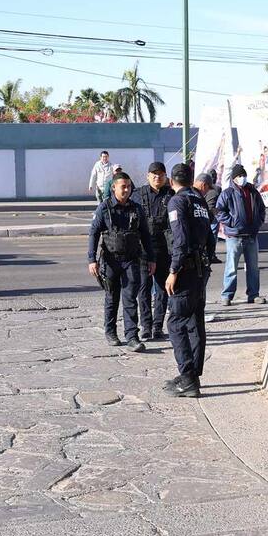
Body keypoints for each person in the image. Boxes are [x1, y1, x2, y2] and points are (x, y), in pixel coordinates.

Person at [87, 172, 154, 353]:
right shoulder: (104, 208)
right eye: (123, 186)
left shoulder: (136, 208)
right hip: (110, 261)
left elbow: (146, 236)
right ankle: (110, 332)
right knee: (112, 298)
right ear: (114, 187)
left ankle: (132, 336)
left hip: (131, 260)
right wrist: (92, 259)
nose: (126, 190)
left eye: (129, 187)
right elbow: (94, 233)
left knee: (130, 298)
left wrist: (151, 258)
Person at [163, 163, 212, 398]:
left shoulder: (177, 202)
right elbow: (211, 239)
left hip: (185, 271)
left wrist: (173, 270)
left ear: (172, 182)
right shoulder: (200, 201)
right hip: (200, 270)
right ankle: (193, 375)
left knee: (176, 324)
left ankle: (187, 377)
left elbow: (180, 240)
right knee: (195, 323)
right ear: (191, 179)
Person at [132, 162, 174, 341]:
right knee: (144, 289)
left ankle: (158, 326)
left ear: (165, 177)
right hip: (142, 249)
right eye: (154, 174)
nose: (158, 177)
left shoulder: (171, 195)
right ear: (148, 176)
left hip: (163, 248)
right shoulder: (138, 195)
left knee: (162, 289)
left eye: (161, 174)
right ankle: (146, 326)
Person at [215, 164, 267, 305]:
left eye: (243, 175)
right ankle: (227, 295)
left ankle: (253, 294)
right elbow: (219, 211)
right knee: (231, 268)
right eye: (239, 176)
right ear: (233, 178)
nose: (242, 178)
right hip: (234, 237)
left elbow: (262, 209)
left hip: (251, 235)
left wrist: (258, 222)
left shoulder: (253, 192)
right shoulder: (227, 193)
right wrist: (232, 222)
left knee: (253, 268)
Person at [193, 173, 220, 262]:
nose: (208, 191)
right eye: (208, 188)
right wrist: (212, 213)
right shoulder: (194, 196)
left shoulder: (189, 194)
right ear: (204, 185)